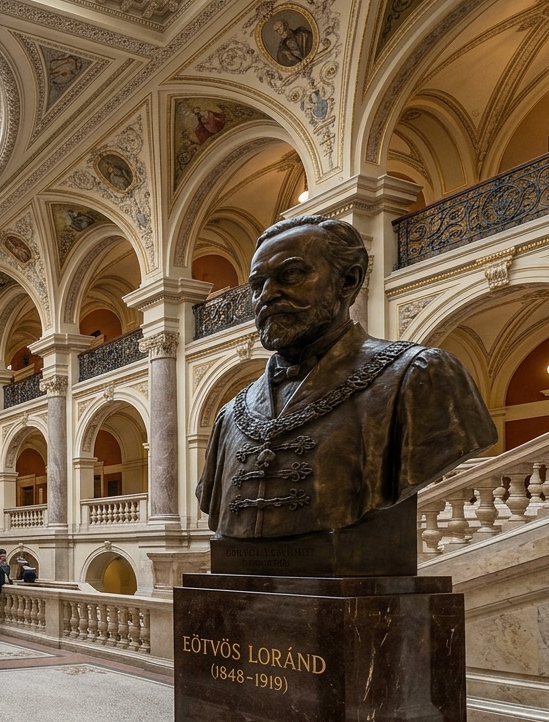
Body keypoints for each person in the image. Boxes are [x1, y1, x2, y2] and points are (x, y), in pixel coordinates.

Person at [197, 216, 495, 575]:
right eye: (258, 285)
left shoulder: (419, 375)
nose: (267, 296)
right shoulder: (230, 416)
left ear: (348, 280)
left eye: (290, 275)